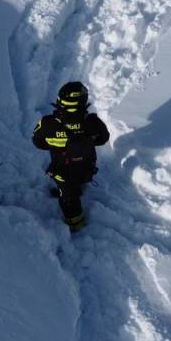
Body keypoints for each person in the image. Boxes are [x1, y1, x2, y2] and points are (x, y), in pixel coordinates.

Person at [32, 81, 110, 231]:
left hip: (63, 174)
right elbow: (103, 138)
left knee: (69, 199)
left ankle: (76, 226)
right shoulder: (93, 122)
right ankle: (78, 187)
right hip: (87, 170)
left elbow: (37, 142)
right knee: (76, 181)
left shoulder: (48, 124)